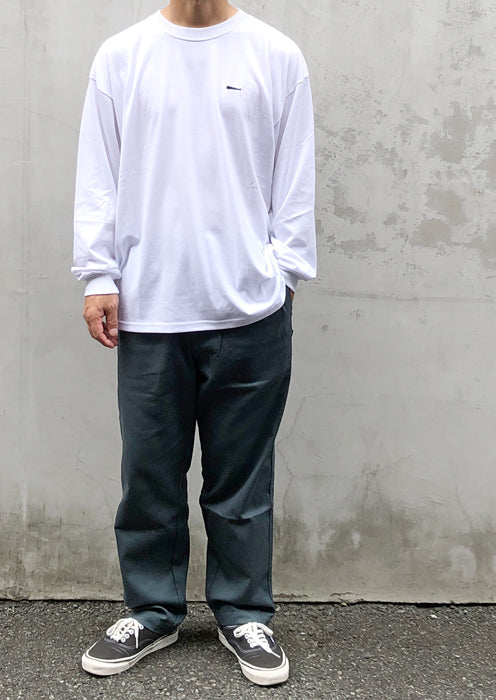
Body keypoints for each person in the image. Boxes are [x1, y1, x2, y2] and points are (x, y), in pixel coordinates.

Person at [72, 0, 315, 687]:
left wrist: (282, 274)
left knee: (242, 480)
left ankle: (244, 613)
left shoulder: (275, 55)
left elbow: (295, 178)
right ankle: (151, 610)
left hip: (250, 308)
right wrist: (98, 274)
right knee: (149, 475)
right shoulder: (123, 56)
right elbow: (99, 173)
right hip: (150, 307)